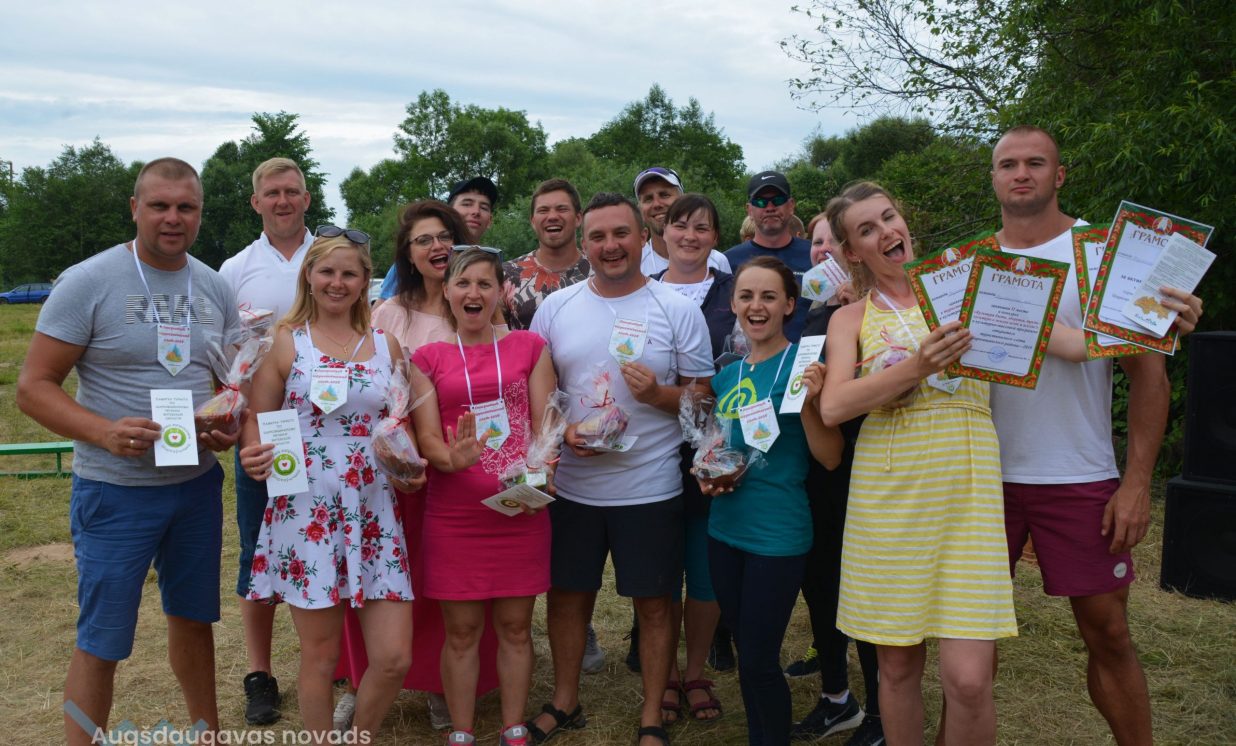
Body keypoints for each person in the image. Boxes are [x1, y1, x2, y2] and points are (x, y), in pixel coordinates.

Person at [16, 158, 243, 746]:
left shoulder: (213, 285)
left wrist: (227, 425)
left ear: (200, 213)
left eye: (186, 207)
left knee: (194, 621)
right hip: (115, 489)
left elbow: (228, 384)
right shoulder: (89, 280)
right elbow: (33, 387)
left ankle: (208, 737)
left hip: (194, 486)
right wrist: (103, 432)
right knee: (104, 639)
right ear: (135, 207)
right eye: (160, 205)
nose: (173, 218)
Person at [988, 126, 1203, 746]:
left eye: (1036, 162)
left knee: (1108, 633)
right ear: (994, 178)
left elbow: (1149, 377)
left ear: (1059, 175)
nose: (1021, 173)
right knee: (969, 642)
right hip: (982, 476)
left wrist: (1136, 485)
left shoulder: (1106, 257)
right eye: (1008, 164)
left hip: (1078, 473)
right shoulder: (972, 263)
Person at [818, 182, 1018, 745]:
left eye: (889, 217)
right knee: (898, 666)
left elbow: (1060, 339)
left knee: (971, 680)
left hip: (967, 493)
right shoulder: (849, 318)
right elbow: (833, 406)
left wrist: (1145, 325)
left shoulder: (969, 293)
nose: (886, 232)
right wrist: (915, 367)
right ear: (853, 252)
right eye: (867, 229)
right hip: (889, 498)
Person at [527, 193, 714, 746]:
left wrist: (658, 395)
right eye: (598, 236)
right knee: (567, 598)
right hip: (574, 488)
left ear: (642, 238)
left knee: (655, 605)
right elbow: (541, 395)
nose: (610, 246)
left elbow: (704, 401)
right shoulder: (556, 308)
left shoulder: (675, 308)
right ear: (583, 243)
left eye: (621, 234)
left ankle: (652, 715)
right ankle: (565, 701)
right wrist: (563, 434)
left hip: (650, 486)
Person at [239, 227, 417, 741]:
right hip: (307, 508)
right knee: (320, 656)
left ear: (364, 281)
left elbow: (398, 420)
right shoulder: (284, 340)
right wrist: (253, 451)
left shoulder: (386, 345)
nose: (337, 282)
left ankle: (358, 735)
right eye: (327, 272)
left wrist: (408, 464)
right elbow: (258, 419)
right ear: (309, 277)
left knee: (393, 657)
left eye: (349, 273)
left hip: (373, 506)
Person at [336, 201, 504, 732]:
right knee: (377, 578)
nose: (437, 247)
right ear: (407, 255)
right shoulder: (387, 313)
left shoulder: (479, 307)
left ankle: (443, 684)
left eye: (445, 237)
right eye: (423, 240)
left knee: (445, 584)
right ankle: (360, 681)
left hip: (460, 467)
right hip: (392, 470)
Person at [409, 247, 556, 746]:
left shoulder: (529, 347)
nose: (473, 293)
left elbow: (546, 426)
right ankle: (462, 730)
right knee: (462, 632)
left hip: (520, 512)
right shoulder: (427, 359)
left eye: (484, 284)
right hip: (454, 518)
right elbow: (428, 439)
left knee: (516, 627)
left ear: (500, 292)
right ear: (447, 291)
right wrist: (453, 459)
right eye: (463, 283)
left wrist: (541, 470)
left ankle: (513, 726)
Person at [701, 256, 844, 746]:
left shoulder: (804, 366)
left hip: (776, 536)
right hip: (724, 529)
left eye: (768, 296)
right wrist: (707, 474)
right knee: (747, 652)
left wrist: (808, 405)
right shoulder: (728, 374)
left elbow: (830, 457)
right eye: (746, 296)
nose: (756, 306)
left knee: (760, 661)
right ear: (733, 304)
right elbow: (722, 448)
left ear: (789, 305)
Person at [217, 156, 316, 725]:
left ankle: (328, 660)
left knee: (327, 539)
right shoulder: (235, 269)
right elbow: (222, 355)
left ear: (307, 198)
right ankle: (260, 673)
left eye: (292, 191)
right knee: (258, 548)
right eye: (272, 193)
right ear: (255, 202)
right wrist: (236, 422)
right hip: (264, 429)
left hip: (327, 429)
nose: (283, 201)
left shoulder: (329, 255)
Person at [788, 214, 882, 745]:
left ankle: (881, 712)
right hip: (818, 469)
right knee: (820, 584)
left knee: (865, 593)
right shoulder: (811, 314)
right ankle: (837, 697)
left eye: (834, 241)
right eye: (817, 241)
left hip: (869, 467)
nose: (824, 250)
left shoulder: (885, 311)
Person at [648, 193, 736, 723]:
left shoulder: (734, 292)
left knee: (704, 571)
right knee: (660, 573)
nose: (689, 236)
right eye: (679, 226)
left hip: (716, 450)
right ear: (663, 233)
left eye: (701, 228)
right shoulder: (642, 293)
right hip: (655, 451)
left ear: (715, 237)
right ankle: (661, 675)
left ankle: (696, 670)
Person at [376, 177, 499, 306]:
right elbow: (380, 311)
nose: (476, 212)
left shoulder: (492, 264)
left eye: (484, 207)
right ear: (450, 212)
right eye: (467, 204)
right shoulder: (416, 263)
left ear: (490, 220)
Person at [724, 171, 813, 341]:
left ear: (791, 206)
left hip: (808, 355)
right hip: (750, 355)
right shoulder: (728, 261)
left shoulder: (814, 255)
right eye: (760, 202)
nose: (770, 208)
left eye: (778, 200)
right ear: (749, 210)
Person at [502, 179, 591, 332]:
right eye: (543, 210)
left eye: (562, 209)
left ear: (578, 218)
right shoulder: (507, 275)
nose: (552, 216)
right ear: (533, 221)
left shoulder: (599, 271)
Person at [633, 166, 730, 276]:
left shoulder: (717, 261)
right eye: (648, 199)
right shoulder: (634, 264)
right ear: (640, 209)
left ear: (682, 200)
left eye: (664, 195)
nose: (657, 204)